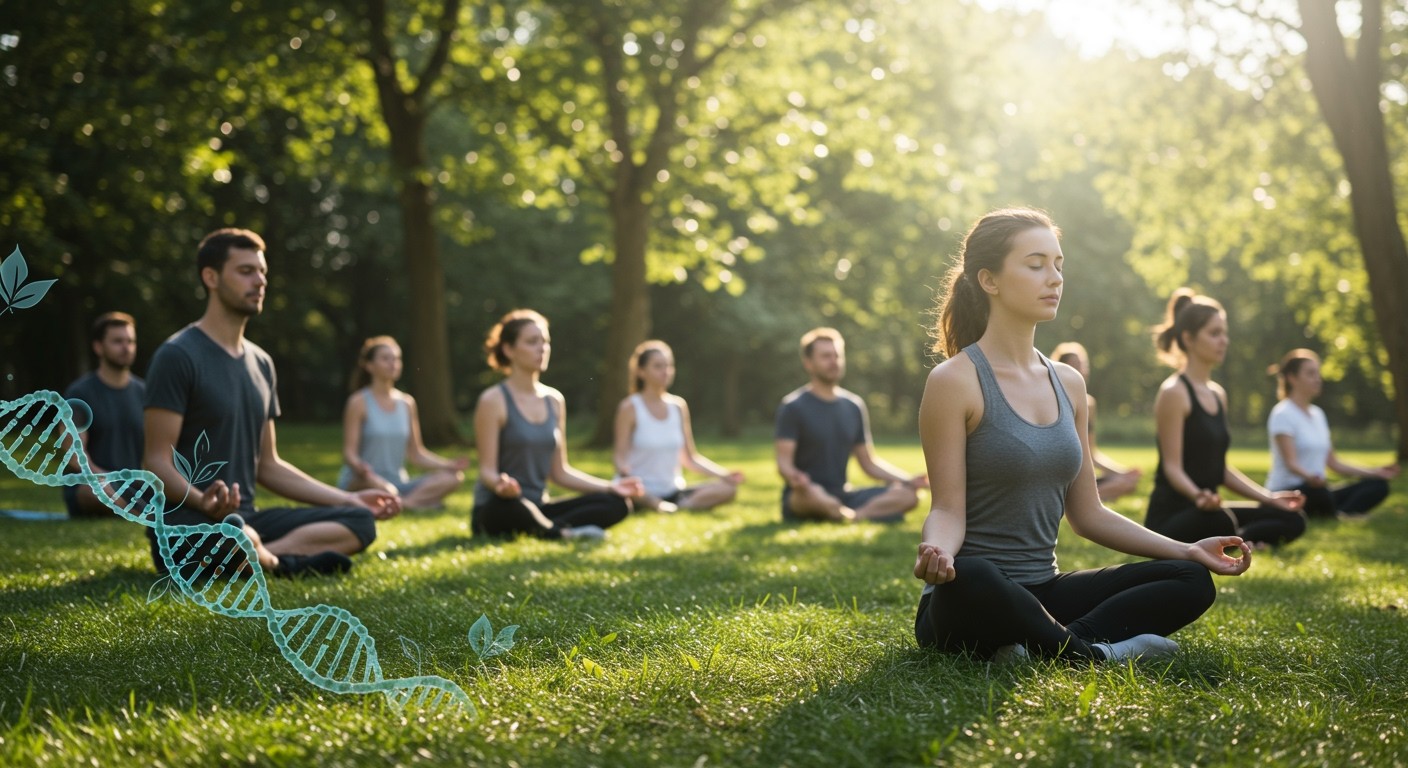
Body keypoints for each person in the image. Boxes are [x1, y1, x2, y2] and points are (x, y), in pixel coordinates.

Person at [914, 208, 1251, 663]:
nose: (1053, 278)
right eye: (1035, 265)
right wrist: (938, 551)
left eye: (1058, 265)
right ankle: (1095, 654)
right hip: (969, 597)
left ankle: (1046, 647)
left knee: (1188, 577)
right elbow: (948, 509)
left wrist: (1187, 548)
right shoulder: (954, 381)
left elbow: (1089, 514)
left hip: (1046, 591)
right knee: (976, 575)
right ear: (989, 280)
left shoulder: (1069, 382)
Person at [143, 228, 400, 578]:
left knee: (358, 520)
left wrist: (349, 499)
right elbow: (156, 461)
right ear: (211, 277)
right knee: (236, 536)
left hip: (246, 519)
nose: (260, 281)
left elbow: (269, 465)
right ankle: (280, 561)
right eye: (246, 271)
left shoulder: (261, 363)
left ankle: (264, 557)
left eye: (262, 272)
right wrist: (203, 500)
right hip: (184, 523)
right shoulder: (177, 356)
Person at [1145, 289, 1306, 548]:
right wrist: (1198, 495)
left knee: (1292, 517)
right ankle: (1241, 538)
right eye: (1214, 333)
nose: (1224, 341)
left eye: (1225, 333)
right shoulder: (1174, 393)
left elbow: (1220, 469)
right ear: (1188, 338)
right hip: (1173, 516)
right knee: (1220, 521)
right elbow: (1171, 468)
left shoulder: (1218, 395)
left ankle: (1240, 539)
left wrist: (1269, 498)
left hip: (1210, 509)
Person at [472, 309, 642, 540]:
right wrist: (500, 485)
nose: (542, 348)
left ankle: (549, 529)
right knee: (515, 507)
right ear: (508, 349)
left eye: (545, 342)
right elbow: (486, 472)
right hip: (499, 507)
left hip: (539, 506)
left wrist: (611, 487)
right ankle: (561, 533)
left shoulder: (554, 400)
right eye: (532, 342)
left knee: (616, 503)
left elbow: (560, 472)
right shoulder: (493, 400)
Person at [775, 327, 927, 523]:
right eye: (826, 356)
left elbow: (868, 463)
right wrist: (798, 479)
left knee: (908, 495)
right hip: (806, 494)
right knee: (814, 495)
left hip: (843, 494)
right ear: (808, 363)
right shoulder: (793, 406)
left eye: (837, 356)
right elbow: (783, 464)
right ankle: (843, 512)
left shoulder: (853, 406)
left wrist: (907, 480)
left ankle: (851, 515)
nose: (834, 361)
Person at [337, 336, 469, 509]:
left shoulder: (407, 403)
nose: (393, 363)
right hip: (365, 481)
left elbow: (416, 454)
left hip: (397, 483)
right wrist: (361, 468)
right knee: (384, 489)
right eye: (386, 359)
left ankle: (404, 504)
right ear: (369, 366)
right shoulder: (358, 402)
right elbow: (349, 454)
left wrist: (448, 465)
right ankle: (415, 502)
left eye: (397, 359)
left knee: (453, 478)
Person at [612, 340, 744, 512]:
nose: (665, 371)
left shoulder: (678, 406)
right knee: (634, 495)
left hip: (673, 490)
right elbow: (619, 458)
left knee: (728, 489)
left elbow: (690, 458)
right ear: (641, 371)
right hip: (640, 491)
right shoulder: (629, 407)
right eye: (658, 366)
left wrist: (724, 475)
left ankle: (676, 507)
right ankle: (657, 505)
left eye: (669, 365)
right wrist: (627, 474)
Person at [1265, 348, 1398, 518]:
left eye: (1318, 373)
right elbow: (1291, 463)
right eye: (1311, 374)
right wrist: (1311, 478)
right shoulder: (1282, 413)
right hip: (1291, 491)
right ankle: (1340, 513)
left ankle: (1339, 513)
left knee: (1378, 486)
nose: (1318, 379)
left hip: (1318, 488)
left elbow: (1334, 463)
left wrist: (1375, 472)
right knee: (1321, 494)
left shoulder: (1318, 414)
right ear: (1292, 378)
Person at [62, 312, 146, 518]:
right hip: (93, 484)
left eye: (130, 341)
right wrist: (106, 480)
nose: (126, 347)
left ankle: (137, 509)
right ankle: (138, 512)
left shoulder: (146, 393)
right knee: (94, 492)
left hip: (136, 487)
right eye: (118, 341)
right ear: (98, 347)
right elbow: (74, 455)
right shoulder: (80, 393)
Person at [1050, 341, 1142, 502]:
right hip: (1058, 473)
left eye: (1083, 365)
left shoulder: (1089, 404)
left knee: (1127, 483)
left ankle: (1080, 501)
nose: (1081, 371)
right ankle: (1078, 501)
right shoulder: (1050, 400)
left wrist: (1122, 472)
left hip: (1081, 475)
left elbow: (1091, 455)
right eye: (1074, 365)